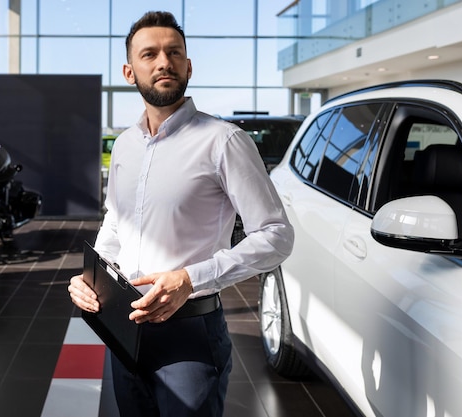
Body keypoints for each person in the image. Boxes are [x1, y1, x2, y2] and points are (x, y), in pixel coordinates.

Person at [68, 10, 294, 417]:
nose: (163, 62)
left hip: (189, 334)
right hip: (124, 323)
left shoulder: (224, 141)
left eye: (174, 52)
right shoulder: (124, 147)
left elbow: (277, 235)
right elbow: (116, 223)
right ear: (129, 71)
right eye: (149, 54)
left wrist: (191, 279)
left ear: (188, 66)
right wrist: (90, 278)